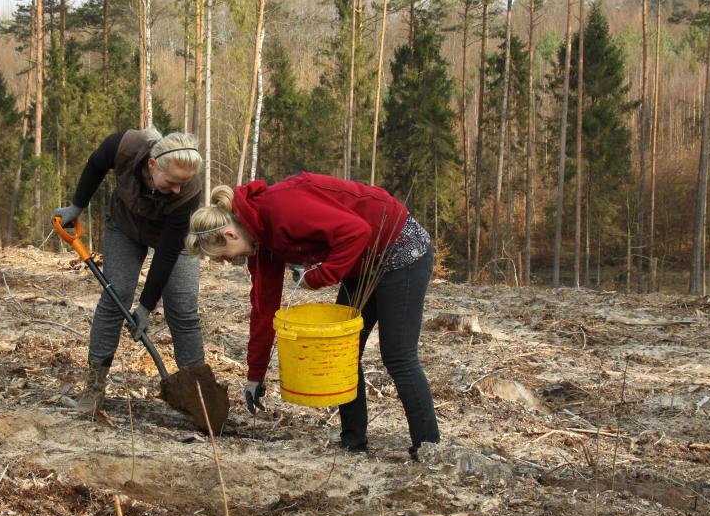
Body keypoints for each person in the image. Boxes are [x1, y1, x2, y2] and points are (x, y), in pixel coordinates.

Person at [185, 172, 439, 459]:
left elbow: (356, 231)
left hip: (400, 247)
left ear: (230, 234)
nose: (228, 261)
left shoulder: (282, 208)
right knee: (345, 351)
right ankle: (353, 442)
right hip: (362, 262)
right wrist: (255, 375)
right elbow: (264, 307)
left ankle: (428, 447)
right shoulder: (260, 242)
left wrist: (318, 277)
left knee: (398, 356)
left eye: (222, 255)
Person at [53, 128, 205, 417]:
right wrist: (77, 205)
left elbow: (168, 252)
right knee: (115, 297)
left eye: (182, 184)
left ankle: (199, 398)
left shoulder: (188, 190)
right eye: (172, 182)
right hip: (125, 226)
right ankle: (94, 391)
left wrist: (146, 307)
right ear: (152, 165)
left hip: (173, 239)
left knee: (184, 311)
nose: (177, 189)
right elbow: (96, 164)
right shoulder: (126, 146)